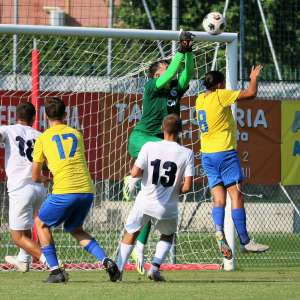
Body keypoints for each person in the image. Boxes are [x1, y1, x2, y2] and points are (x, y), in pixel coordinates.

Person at [123, 31, 195, 274]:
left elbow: (187, 73)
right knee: (150, 192)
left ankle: (140, 246)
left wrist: (189, 53)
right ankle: (132, 177)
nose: (170, 71)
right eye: (165, 68)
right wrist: (180, 52)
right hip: (143, 140)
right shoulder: (152, 87)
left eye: (169, 67)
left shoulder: (175, 89)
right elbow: (175, 70)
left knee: (153, 198)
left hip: (160, 143)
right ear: (156, 75)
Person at [32, 97, 121, 283]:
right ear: (65, 115)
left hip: (65, 190)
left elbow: (35, 176)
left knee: (41, 223)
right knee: (74, 228)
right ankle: (107, 261)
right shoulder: (77, 134)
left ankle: (56, 271)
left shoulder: (42, 138)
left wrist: (46, 178)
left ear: (45, 116)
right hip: (86, 191)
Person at [195, 66, 269, 260]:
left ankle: (219, 231)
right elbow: (251, 94)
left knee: (219, 199)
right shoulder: (220, 95)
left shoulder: (200, 99)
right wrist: (253, 77)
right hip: (225, 153)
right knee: (237, 196)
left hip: (207, 155)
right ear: (219, 85)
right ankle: (245, 241)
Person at [117, 114, 194, 281]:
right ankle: (154, 268)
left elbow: (135, 173)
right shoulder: (187, 153)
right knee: (168, 235)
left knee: (131, 232)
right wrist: (173, 189)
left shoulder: (148, 146)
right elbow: (187, 186)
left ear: (162, 129)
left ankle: (118, 270)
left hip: (145, 201)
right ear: (180, 131)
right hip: (167, 207)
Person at [0, 102, 48, 272]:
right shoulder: (40, 135)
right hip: (40, 188)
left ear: (16, 117)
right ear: (34, 118)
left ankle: (50, 262)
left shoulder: (8, 129)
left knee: (17, 236)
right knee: (28, 225)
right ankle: (24, 259)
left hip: (21, 188)